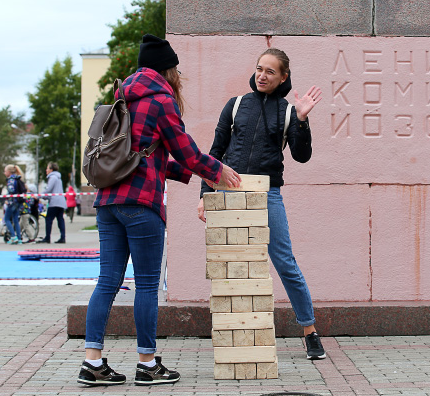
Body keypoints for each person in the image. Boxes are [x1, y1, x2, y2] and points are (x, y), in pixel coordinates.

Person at [78, 34, 240, 387]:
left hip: (108, 202)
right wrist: (218, 171)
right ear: (168, 69)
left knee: (107, 281)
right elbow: (187, 152)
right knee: (148, 284)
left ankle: (92, 362)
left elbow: (144, 158)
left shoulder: (122, 95)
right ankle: (147, 364)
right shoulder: (160, 99)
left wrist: (185, 173)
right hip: (141, 206)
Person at [197, 48, 326, 360]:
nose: (262, 75)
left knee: (284, 261)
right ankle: (235, 337)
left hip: (268, 194)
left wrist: (302, 119)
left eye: (270, 71)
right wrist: (205, 195)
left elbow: (302, 155)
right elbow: (215, 152)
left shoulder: (287, 111)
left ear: (283, 77)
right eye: (259, 69)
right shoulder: (236, 104)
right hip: (229, 191)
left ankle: (309, 331)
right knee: (233, 267)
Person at [38, 162, 66, 244]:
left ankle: (47, 238)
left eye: (47, 168)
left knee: (49, 219)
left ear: (51, 169)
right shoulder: (58, 178)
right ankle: (63, 237)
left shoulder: (53, 177)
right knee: (60, 219)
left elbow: (49, 190)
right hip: (61, 201)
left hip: (54, 202)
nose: (46, 170)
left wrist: (39, 196)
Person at [3, 165, 25, 245]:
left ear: (9, 172)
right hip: (18, 202)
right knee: (15, 220)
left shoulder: (11, 180)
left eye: (5, 171)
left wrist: (7, 197)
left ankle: (13, 237)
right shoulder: (17, 178)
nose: (4, 173)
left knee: (7, 219)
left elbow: (11, 190)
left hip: (12, 202)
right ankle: (19, 238)